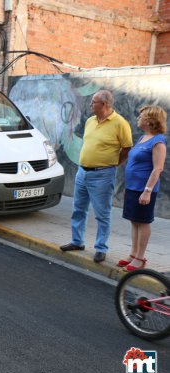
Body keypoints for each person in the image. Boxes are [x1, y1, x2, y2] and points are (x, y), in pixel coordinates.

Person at [60, 90, 133, 263]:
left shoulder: (120, 123)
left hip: (102, 174)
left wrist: (114, 164)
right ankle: (77, 241)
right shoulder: (90, 121)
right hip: (82, 172)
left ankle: (101, 248)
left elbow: (127, 149)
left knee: (102, 213)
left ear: (105, 104)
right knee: (78, 209)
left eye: (94, 102)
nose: (90, 104)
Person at [118, 105, 167, 271]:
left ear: (150, 120)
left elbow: (158, 168)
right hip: (133, 187)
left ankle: (140, 258)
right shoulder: (142, 138)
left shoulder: (158, 141)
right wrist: (127, 187)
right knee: (134, 221)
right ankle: (133, 254)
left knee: (143, 221)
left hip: (145, 189)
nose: (138, 119)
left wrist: (147, 190)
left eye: (141, 116)